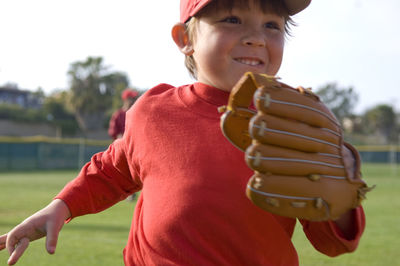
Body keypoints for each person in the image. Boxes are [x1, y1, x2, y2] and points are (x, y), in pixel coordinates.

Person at [0, 0, 368, 265]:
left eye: (272, 25)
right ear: (184, 39)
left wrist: (339, 193)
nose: (256, 37)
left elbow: (332, 243)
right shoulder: (154, 110)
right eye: (232, 18)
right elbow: (111, 170)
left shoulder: (294, 128)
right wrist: (60, 207)